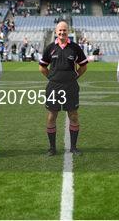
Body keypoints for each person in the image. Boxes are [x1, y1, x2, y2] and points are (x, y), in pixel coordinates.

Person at [39, 21, 88, 156]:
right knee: (51, 116)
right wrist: (52, 77)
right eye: (60, 30)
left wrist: (74, 76)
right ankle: (52, 148)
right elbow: (42, 67)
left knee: (73, 115)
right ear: (56, 32)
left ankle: (73, 147)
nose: (62, 33)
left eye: (64, 30)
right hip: (53, 87)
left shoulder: (75, 48)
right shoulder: (50, 48)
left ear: (68, 31)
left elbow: (83, 66)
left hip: (71, 87)